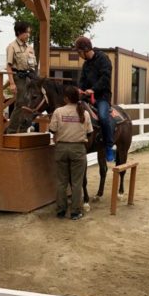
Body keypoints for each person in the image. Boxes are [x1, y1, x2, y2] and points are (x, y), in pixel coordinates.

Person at [49, 84, 93, 221]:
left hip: (61, 149)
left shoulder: (58, 111)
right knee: (77, 182)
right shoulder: (85, 113)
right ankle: (75, 212)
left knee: (62, 182)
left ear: (66, 98)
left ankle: (61, 210)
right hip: (78, 149)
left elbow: (52, 130)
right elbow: (89, 133)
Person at [74, 35, 115, 162]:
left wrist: (93, 89)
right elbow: (82, 81)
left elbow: (105, 78)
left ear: (85, 50)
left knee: (103, 117)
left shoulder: (103, 59)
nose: (79, 55)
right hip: (87, 96)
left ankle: (109, 146)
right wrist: (80, 89)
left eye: (79, 52)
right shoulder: (86, 64)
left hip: (102, 96)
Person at [5, 21, 38, 133]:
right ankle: (11, 131)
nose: (28, 35)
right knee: (21, 103)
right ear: (19, 32)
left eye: (29, 33)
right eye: (26, 32)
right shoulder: (12, 46)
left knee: (32, 102)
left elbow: (33, 65)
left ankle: (24, 129)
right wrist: (12, 83)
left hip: (30, 76)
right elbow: (9, 66)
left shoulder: (30, 48)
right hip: (18, 76)